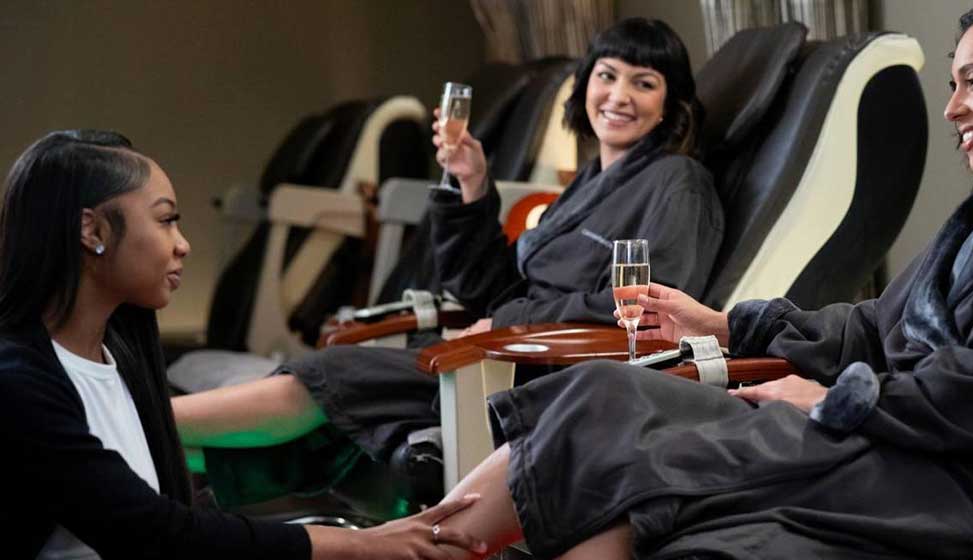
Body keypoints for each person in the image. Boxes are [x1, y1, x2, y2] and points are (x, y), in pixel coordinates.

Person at [200, 0, 973, 560]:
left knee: (604, 399)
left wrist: (836, 397)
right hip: (886, 444)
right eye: (953, 82)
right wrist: (731, 322)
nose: (952, 107)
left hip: (940, 483)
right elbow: (872, 323)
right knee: (602, 462)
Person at [0, 131, 488, 560]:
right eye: (166, 219)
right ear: (92, 230)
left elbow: (182, 536)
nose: (183, 244)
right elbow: (152, 530)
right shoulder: (18, 378)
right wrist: (363, 546)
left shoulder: (123, 360)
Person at [173, 17, 724, 502]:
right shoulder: (587, 185)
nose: (619, 95)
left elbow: (653, 314)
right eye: (607, 75)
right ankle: (157, 467)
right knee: (351, 423)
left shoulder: (678, 183)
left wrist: (503, 326)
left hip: (546, 372)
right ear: (585, 87)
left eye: (643, 83)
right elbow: (484, 288)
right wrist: (472, 182)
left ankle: (139, 425)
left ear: (669, 109)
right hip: (500, 351)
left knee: (332, 372)